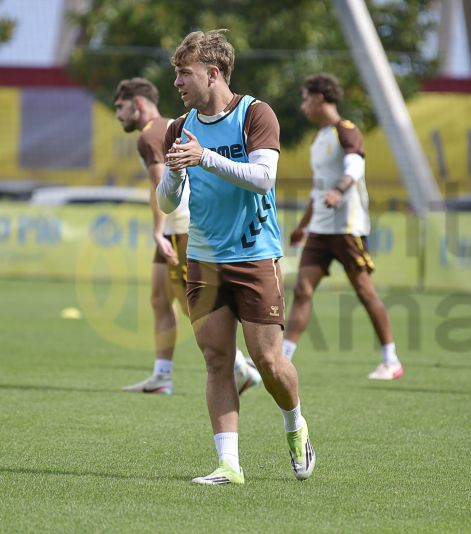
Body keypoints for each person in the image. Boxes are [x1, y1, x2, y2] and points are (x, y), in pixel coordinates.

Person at [157, 29, 315, 485]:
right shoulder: (179, 126)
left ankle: (295, 425)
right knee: (215, 359)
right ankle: (230, 465)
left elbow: (264, 179)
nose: (177, 84)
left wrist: (203, 157)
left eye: (183, 74)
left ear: (212, 73)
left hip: (254, 255)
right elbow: (167, 203)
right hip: (204, 259)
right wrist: (173, 171)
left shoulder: (255, 114)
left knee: (267, 360)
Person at [113, 77, 261, 396]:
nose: (118, 115)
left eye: (120, 107)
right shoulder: (168, 126)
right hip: (175, 227)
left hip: (178, 226)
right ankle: (162, 374)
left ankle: (240, 366)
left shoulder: (150, 135)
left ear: (138, 104)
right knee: (159, 297)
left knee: (190, 301)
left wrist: (157, 231)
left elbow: (161, 187)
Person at [283, 73, 403, 381]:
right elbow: (316, 190)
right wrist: (303, 226)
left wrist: (339, 189)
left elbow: (354, 167)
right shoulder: (318, 139)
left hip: (347, 227)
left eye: (305, 98)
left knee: (364, 291)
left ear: (320, 97)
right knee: (302, 290)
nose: (303, 106)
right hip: (320, 230)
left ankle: (391, 360)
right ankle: (283, 358)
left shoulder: (346, 131)